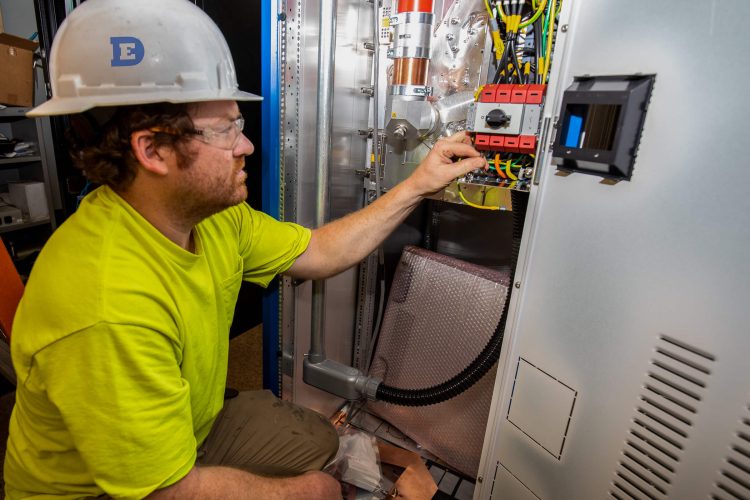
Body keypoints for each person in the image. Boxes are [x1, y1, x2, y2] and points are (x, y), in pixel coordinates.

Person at [4, 0, 487, 498]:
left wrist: (415, 187)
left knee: (319, 441)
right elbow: (166, 491)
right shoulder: (106, 305)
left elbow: (318, 252)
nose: (246, 147)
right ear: (153, 150)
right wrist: (310, 492)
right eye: (225, 131)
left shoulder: (210, 216)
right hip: (109, 491)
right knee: (317, 487)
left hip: (189, 432)